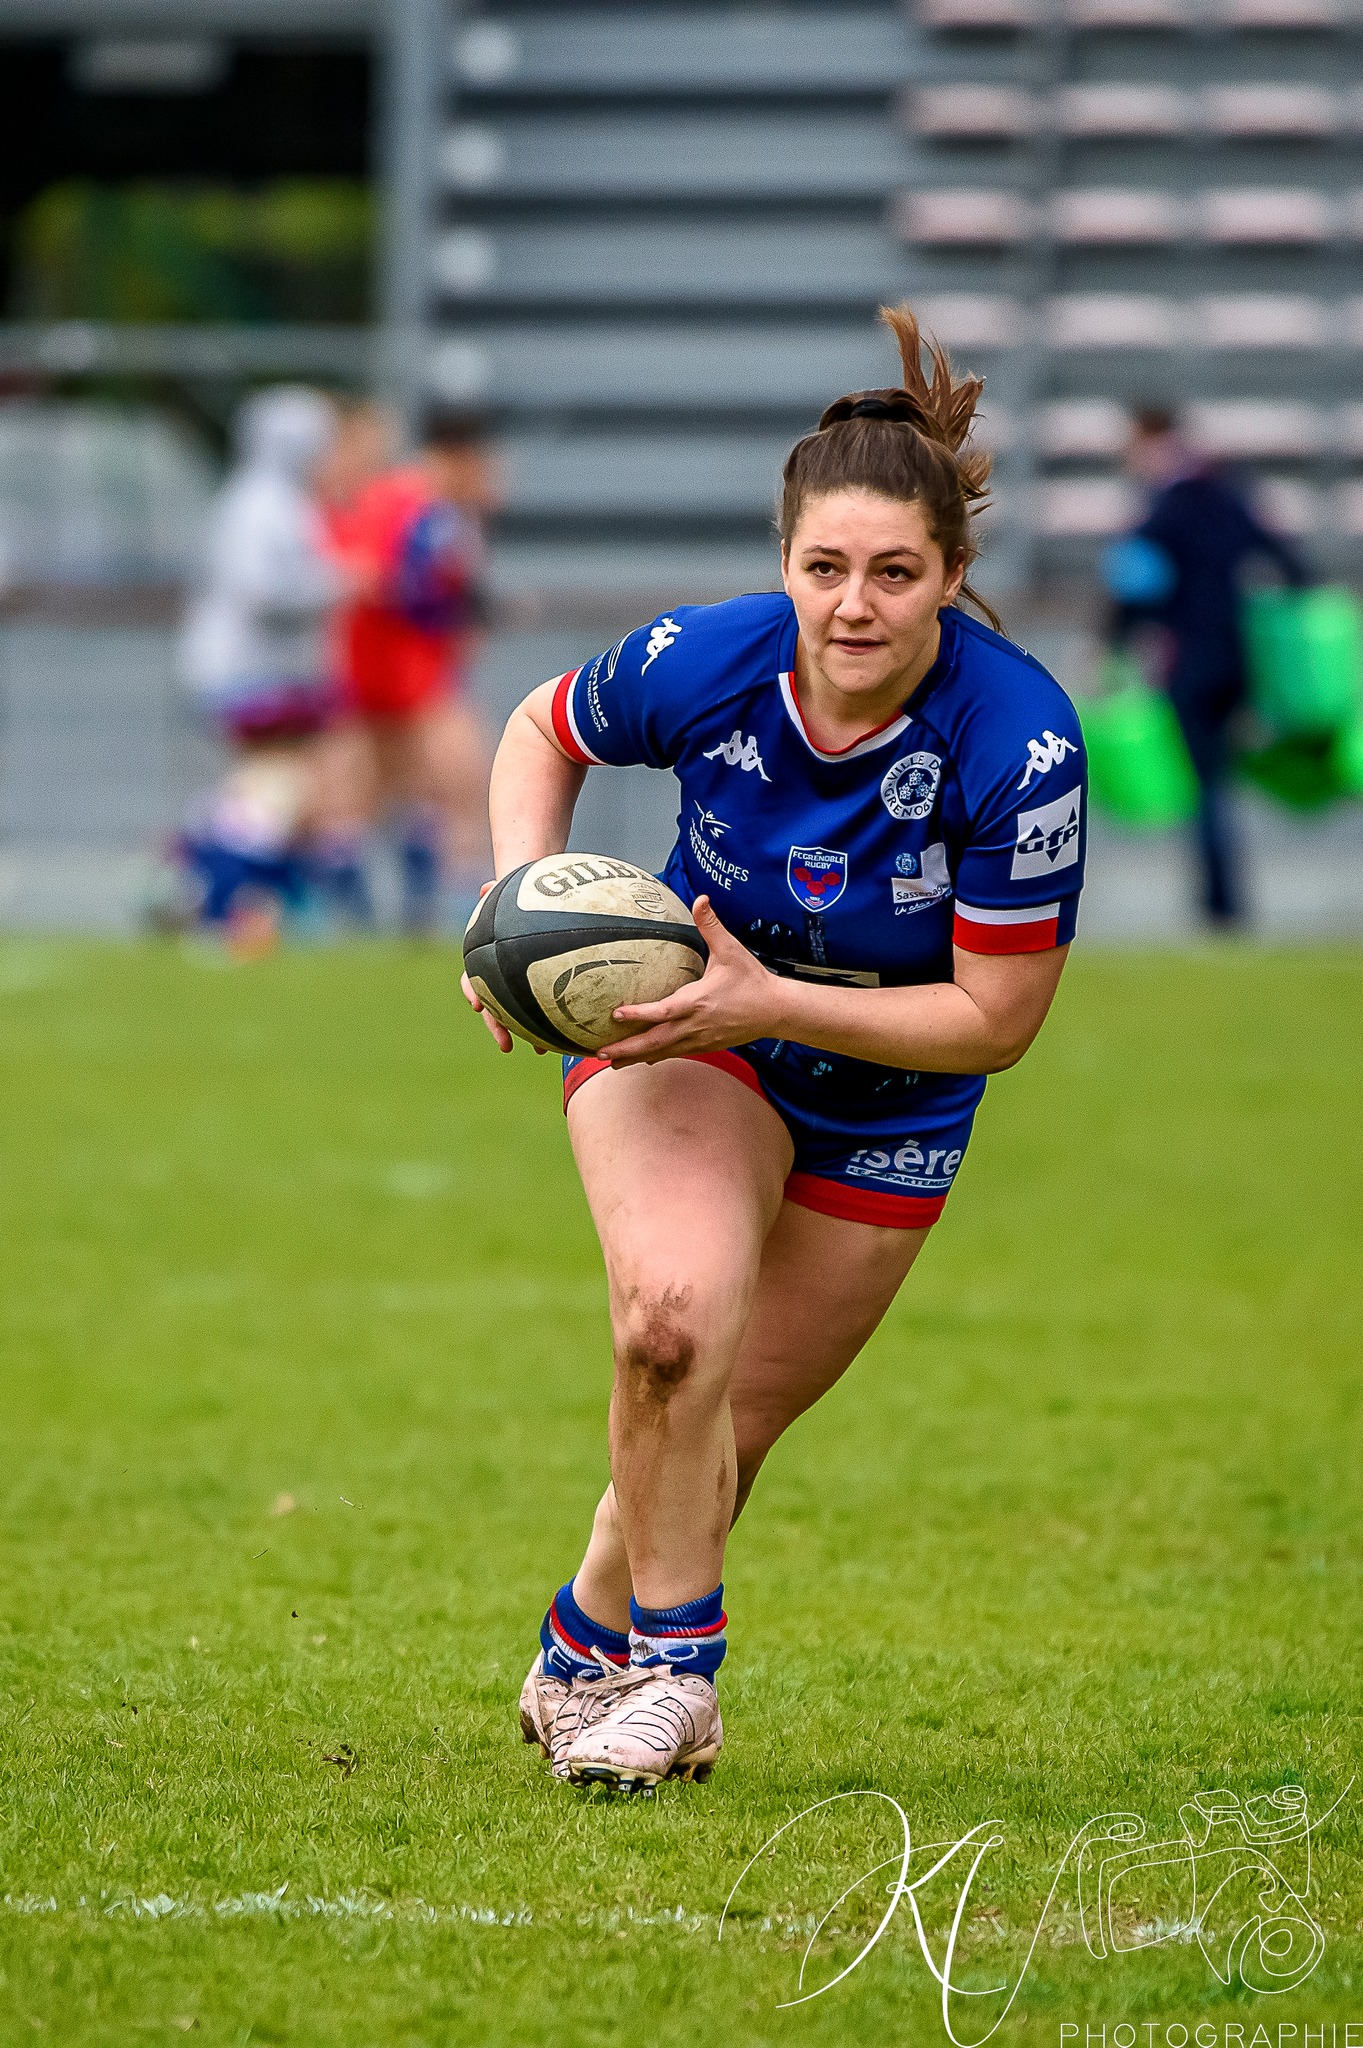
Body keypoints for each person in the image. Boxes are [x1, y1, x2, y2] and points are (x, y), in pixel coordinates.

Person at [463, 305, 1089, 1793]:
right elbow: (537, 730)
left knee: (721, 1419)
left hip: (895, 1090)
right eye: (822, 569)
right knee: (669, 1326)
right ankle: (678, 1688)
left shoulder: (1020, 748)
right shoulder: (709, 658)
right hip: (685, 1034)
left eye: (891, 573)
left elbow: (994, 1023)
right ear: (782, 562)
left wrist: (778, 1000)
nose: (852, 605)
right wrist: (508, 898)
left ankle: (577, 1652)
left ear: (948, 577)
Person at [1109, 405, 1308, 926]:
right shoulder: (1229, 495)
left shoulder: (1162, 512)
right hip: (1238, 660)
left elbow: (1133, 591)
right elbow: (1291, 565)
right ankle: (1225, 894)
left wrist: (1115, 650)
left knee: (1204, 785)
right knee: (1217, 779)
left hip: (1189, 663)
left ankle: (1220, 902)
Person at [317, 408, 496, 931]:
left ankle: (409, 910)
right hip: (396, 676)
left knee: (410, 794)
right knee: (454, 785)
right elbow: (373, 579)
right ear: (460, 458)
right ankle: (457, 910)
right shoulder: (409, 503)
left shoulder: (441, 510)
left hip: (407, 673)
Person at [176, 385, 342, 939]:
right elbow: (263, 592)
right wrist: (341, 583)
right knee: (269, 788)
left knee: (278, 786)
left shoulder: (278, 499)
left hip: (268, 667)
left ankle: (218, 883)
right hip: (248, 668)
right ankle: (210, 888)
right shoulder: (261, 503)